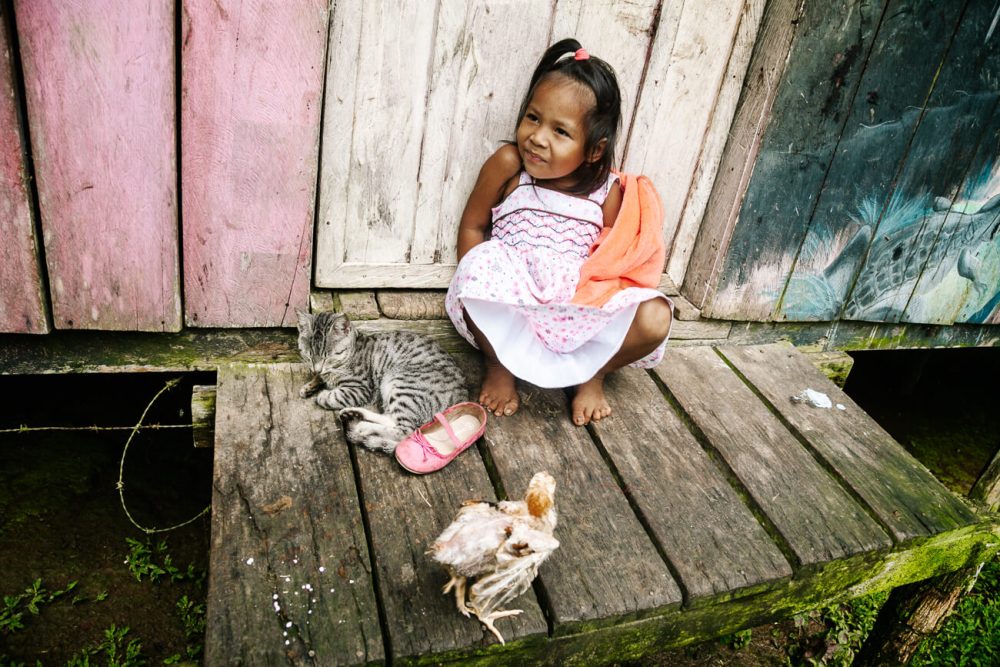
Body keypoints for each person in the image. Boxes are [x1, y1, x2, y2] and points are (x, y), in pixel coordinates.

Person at [445, 38, 673, 427]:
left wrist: (597, 304)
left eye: (561, 131)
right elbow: (473, 227)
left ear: (594, 151)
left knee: (656, 317)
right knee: (476, 269)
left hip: (575, 310)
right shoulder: (508, 167)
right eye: (533, 118)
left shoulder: (609, 192)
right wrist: (479, 285)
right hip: (513, 304)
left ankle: (593, 372)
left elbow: (613, 262)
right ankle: (499, 365)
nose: (537, 137)